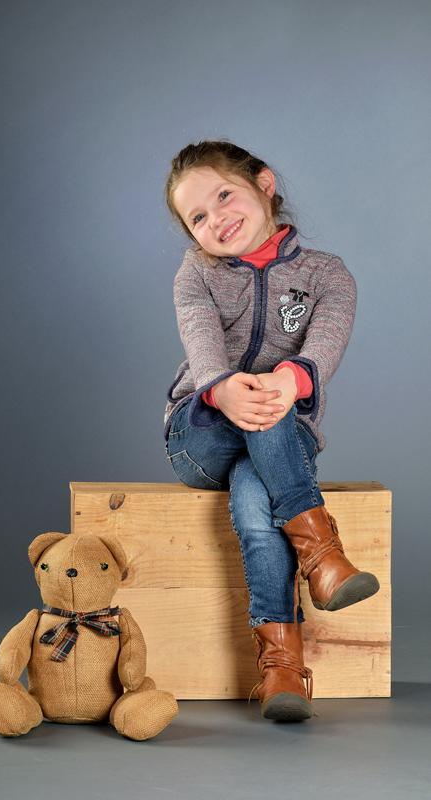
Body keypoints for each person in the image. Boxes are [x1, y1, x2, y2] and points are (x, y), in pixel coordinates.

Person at [162, 139, 379, 722]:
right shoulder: (196, 274)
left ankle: (282, 669)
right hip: (202, 434)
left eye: (223, 196)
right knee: (263, 409)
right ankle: (324, 557)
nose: (216, 219)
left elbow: (323, 348)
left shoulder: (327, 274)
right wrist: (222, 389)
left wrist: (288, 381)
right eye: (197, 217)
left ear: (264, 183)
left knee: (257, 511)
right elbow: (203, 348)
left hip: (281, 434)